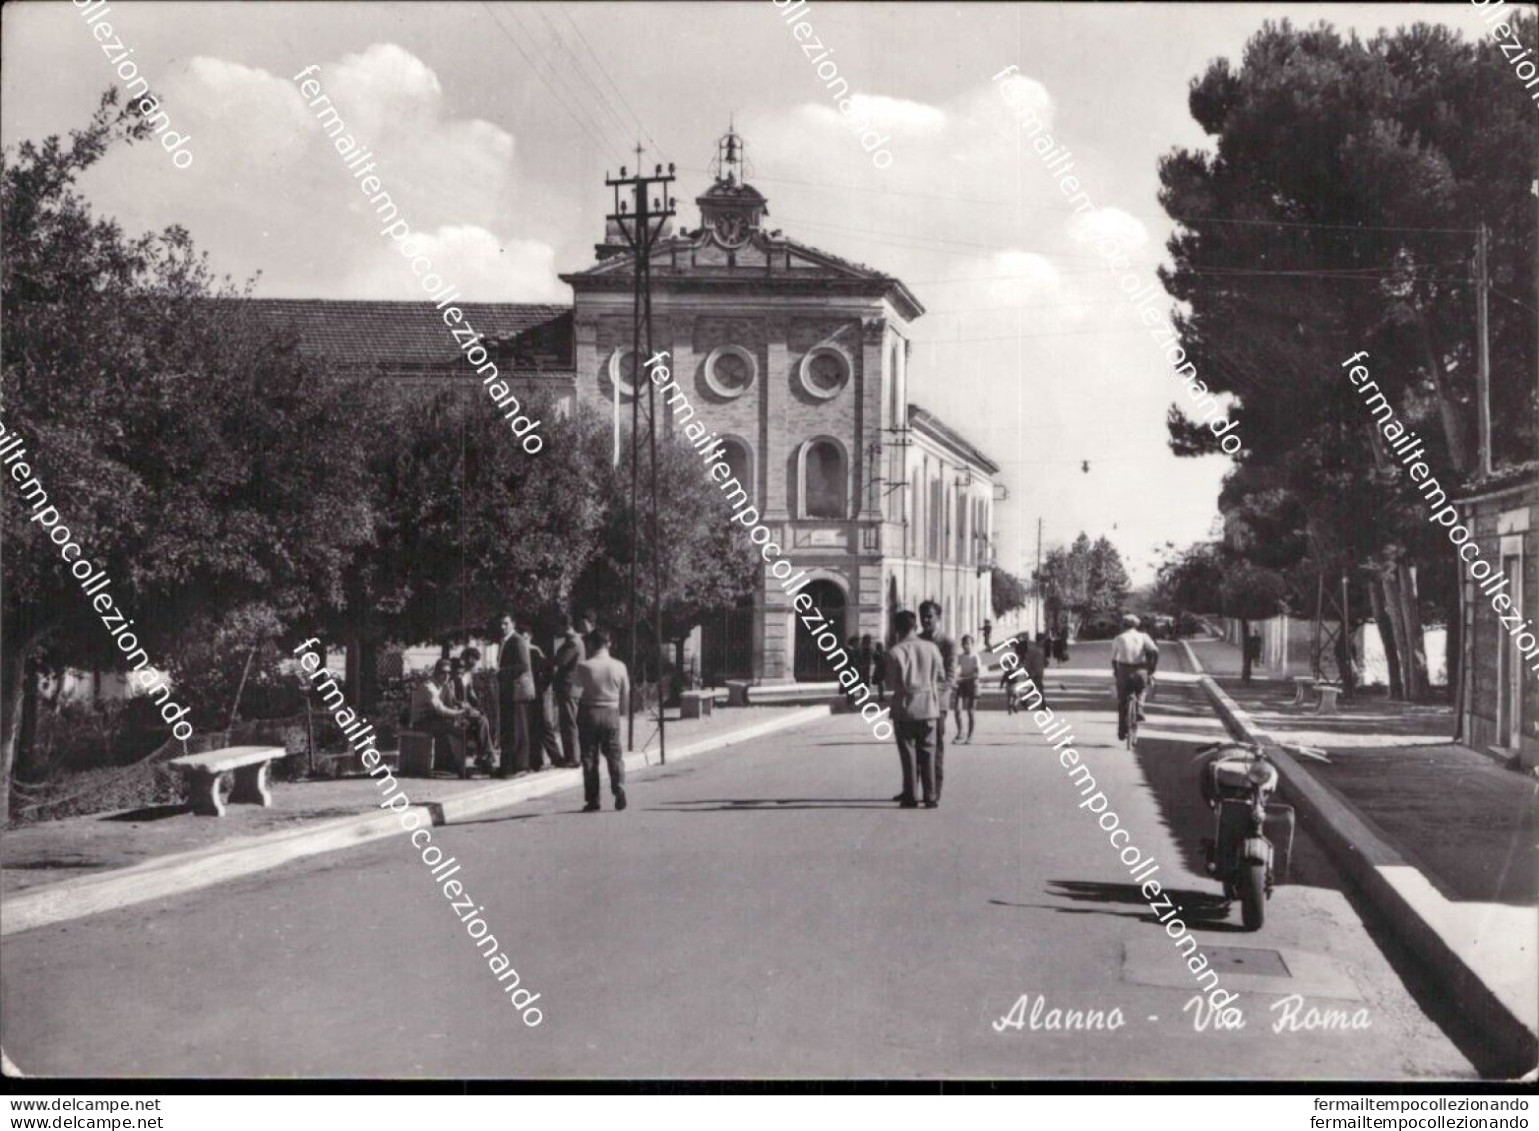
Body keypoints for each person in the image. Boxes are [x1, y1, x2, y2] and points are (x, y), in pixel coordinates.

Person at [885, 609, 945, 809]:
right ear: (915, 627)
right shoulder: (932, 648)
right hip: (929, 706)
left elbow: (890, 684)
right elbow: (942, 676)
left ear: (897, 629)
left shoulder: (895, 652)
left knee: (908, 753)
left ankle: (910, 795)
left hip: (905, 708)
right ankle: (931, 796)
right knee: (928, 751)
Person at [575, 627, 629, 812]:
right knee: (614, 754)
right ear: (609, 644)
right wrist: (622, 712)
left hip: (589, 712)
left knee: (589, 758)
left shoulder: (584, 666)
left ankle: (593, 799)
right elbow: (626, 692)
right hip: (611, 711)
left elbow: (575, 690)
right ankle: (619, 787)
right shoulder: (620, 666)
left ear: (590, 645)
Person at [918, 600, 957, 802]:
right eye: (923, 616)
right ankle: (915, 789)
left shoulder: (947, 643)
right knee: (918, 747)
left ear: (938, 618)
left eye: (930, 616)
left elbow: (950, 677)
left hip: (937, 704)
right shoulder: (917, 641)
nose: (926, 620)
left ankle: (934, 790)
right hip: (918, 704)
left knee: (935, 747)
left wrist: (932, 694)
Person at [410, 659, 472, 774]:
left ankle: (449, 763)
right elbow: (440, 709)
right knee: (451, 729)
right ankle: (452, 764)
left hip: (435, 719)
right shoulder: (428, 687)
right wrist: (458, 714)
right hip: (421, 721)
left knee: (457, 727)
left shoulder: (444, 686)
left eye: (448, 673)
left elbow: (452, 703)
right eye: (443, 672)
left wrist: (461, 710)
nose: (446, 676)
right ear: (436, 673)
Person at [496, 612, 536, 777]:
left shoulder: (517, 640)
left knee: (517, 728)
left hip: (516, 691)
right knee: (508, 728)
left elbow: (523, 665)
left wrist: (501, 672)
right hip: (507, 690)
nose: (503, 627)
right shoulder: (505, 641)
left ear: (513, 624)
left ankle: (519, 765)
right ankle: (507, 765)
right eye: (501, 624)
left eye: (506, 623)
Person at [1111, 614, 1160, 742]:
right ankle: (1139, 708)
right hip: (1140, 670)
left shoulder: (1119, 638)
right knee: (1142, 690)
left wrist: (1116, 673)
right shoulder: (1143, 637)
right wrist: (1152, 669)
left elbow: (1114, 659)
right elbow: (1155, 651)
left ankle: (1122, 730)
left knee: (1122, 701)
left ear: (1123, 625)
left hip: (1124, 671)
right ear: (1136, 625)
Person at [551, 612, 590, 769]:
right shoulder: (574, 641)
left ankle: (573, 757)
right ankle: (573, 755)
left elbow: (560, 661)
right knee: (569, 722)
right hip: (572, 687)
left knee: (569, 723)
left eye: (559, 627)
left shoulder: (573, 642)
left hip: (569, 687)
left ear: (566, 626)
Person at [447, 648, 497, 765]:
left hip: (464, 708)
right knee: (482, 721)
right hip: (456, 709)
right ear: (468, 659)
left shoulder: (468, 675)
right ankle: (486, 755)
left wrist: (478, 706)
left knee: (482, 719)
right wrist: (468, 708)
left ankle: (484, 755)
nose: (475, 665)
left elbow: (470, 693)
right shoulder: (455, 673)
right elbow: (453, 697)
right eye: (474, 661)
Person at [528, 636, 564, 771]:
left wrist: (543, 686)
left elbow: (548, 669)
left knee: (543, 725)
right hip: (527, 694)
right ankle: (535, 759)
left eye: (526, 636)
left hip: (536, 693)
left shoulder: (534, 652)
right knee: (533, 728)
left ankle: (555, 757)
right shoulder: (521, 650)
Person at [954, 635, 979, 742]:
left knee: (971, 711)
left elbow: (976, 674)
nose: (966, 646)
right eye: (964, 644)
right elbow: (957, 669)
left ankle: (970, 735)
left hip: (973, 685)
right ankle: (960, 732)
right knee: (957, 709)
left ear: (972, 645)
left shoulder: (975, 657)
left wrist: (963, 678)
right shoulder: (960, 657)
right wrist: (956, 677)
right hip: (962, 685)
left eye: (968, 644)